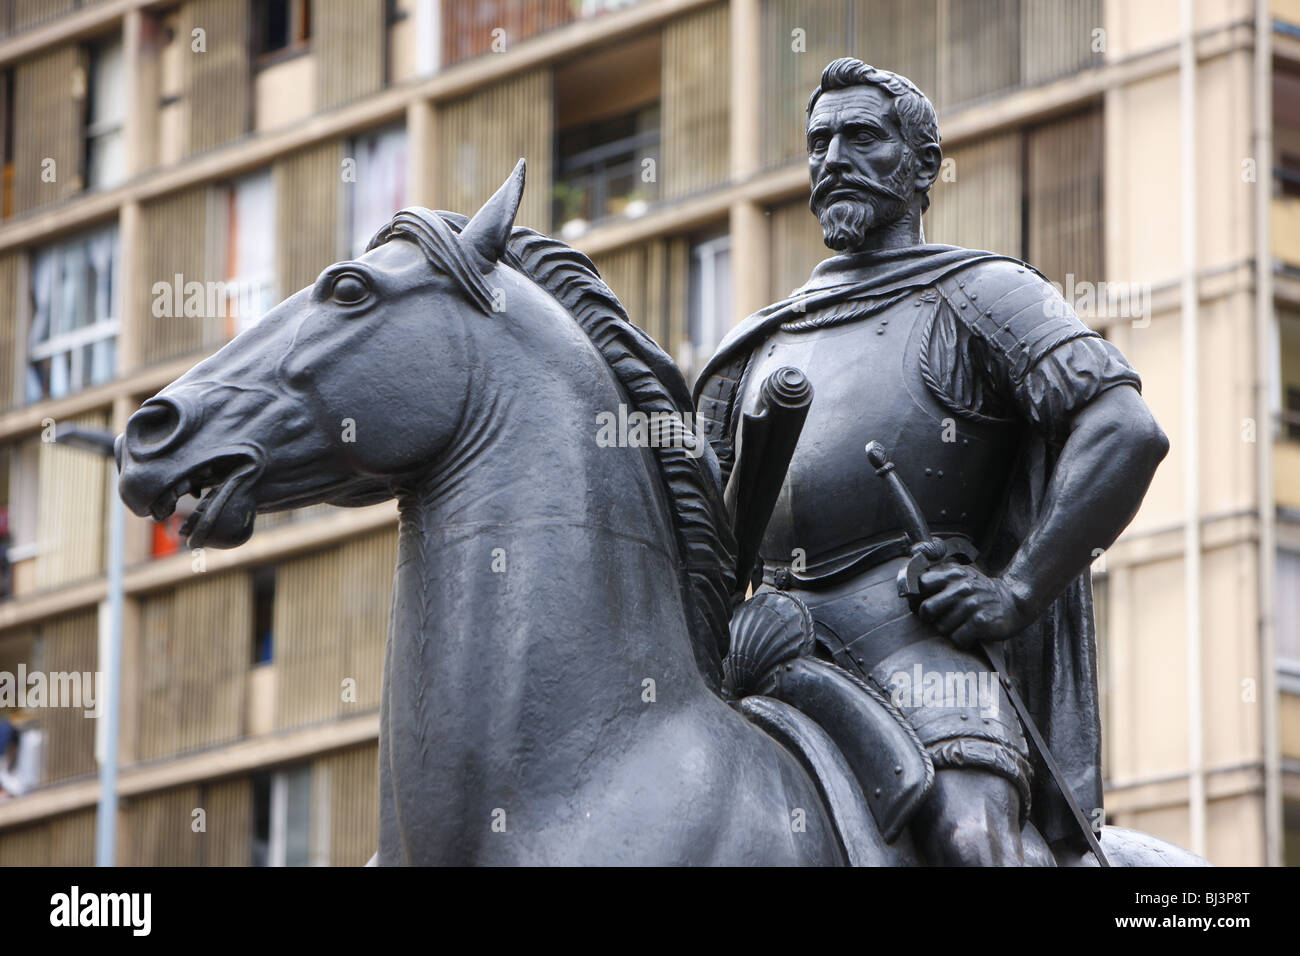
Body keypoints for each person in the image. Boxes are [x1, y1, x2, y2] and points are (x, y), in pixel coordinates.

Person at [694, 57, 1168, 865]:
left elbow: (1124, 429)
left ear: (921, 167)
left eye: (862, 136)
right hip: (759, 638)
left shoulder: (986, 293)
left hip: (912, 641)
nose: (833, 157)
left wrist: (1013, 591)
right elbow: (690, 523)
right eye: (818, 142)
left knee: (969, 841)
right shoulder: (755, 343)